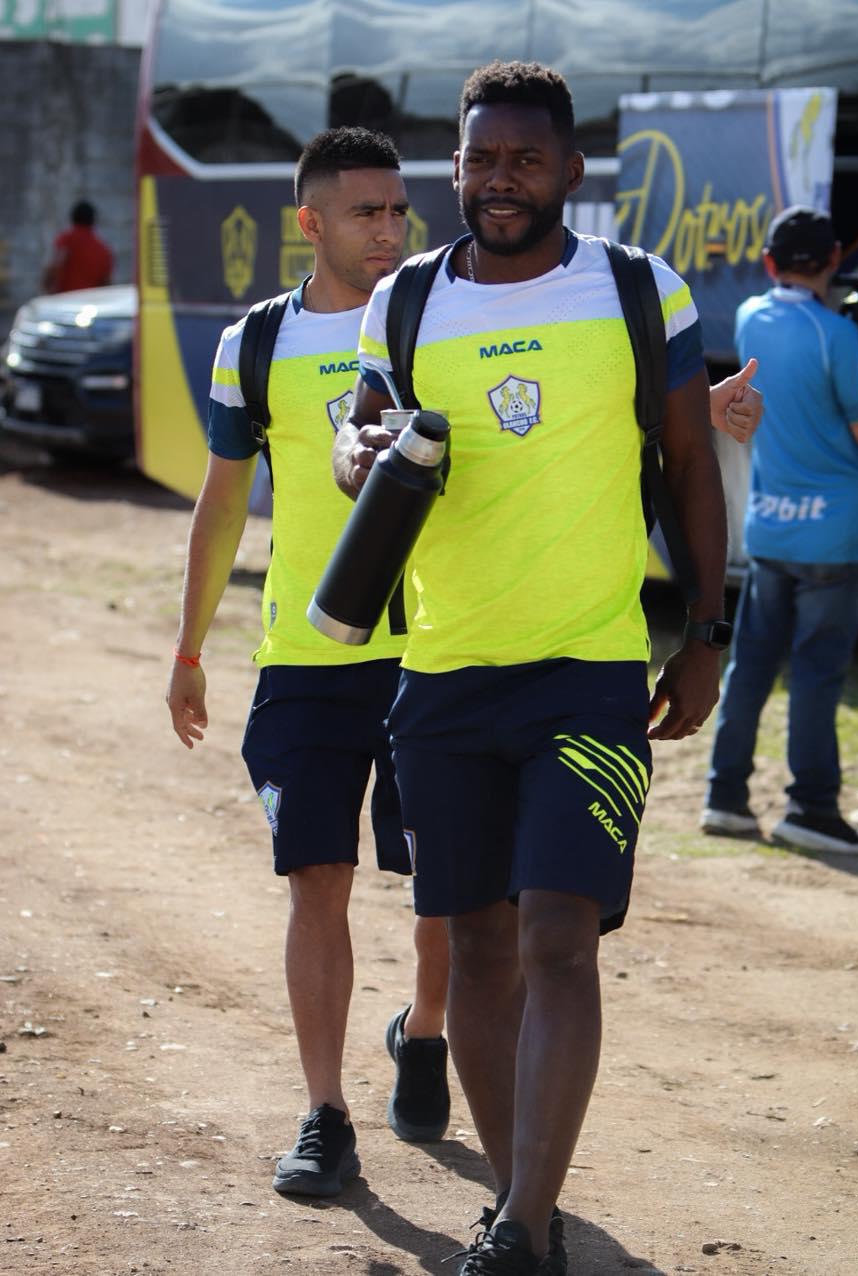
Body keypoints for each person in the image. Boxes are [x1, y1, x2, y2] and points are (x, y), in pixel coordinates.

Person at [334, 61, 739, 1275]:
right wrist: (360, 452)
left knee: (562, 931)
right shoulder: (402, 299)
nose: (497, 180)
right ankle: (526, 1204)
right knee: (480, 942)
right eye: (476, 159)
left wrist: (706, 635)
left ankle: (514, 1227)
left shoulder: (632, 288)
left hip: (590, 666)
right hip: (446, 670)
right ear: (451, 167)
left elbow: (683, 467)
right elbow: (361, 434)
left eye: (523, 159)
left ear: (571, 169)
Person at [165, 127, 450, 1199]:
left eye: (399, 210)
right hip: (307, 655)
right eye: (367, 211)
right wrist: (190, 646)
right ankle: (326, 1112)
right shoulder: (253, 342)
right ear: (311, 222)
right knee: (314, 880)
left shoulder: (439, 319)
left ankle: (423, 1029)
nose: (390, 228)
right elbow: (225, 499)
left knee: (444, 892)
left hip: (434, 648)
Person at [701, 205, 858, 855]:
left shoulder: (753, 317)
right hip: (833, 535)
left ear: (771, 264)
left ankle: (724, 796)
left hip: (770, 525)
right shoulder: (837, 335)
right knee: (815, 673)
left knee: (749, 665)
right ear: (835, 259)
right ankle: (810, 808)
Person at [42, 200, 113, 293]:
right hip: (91, 300)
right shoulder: (102, 249)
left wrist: (48, 290)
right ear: (93, 221)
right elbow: (106, 282)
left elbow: (54, 267)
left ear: (73, 218)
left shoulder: (66, 241)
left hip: (65, 300)